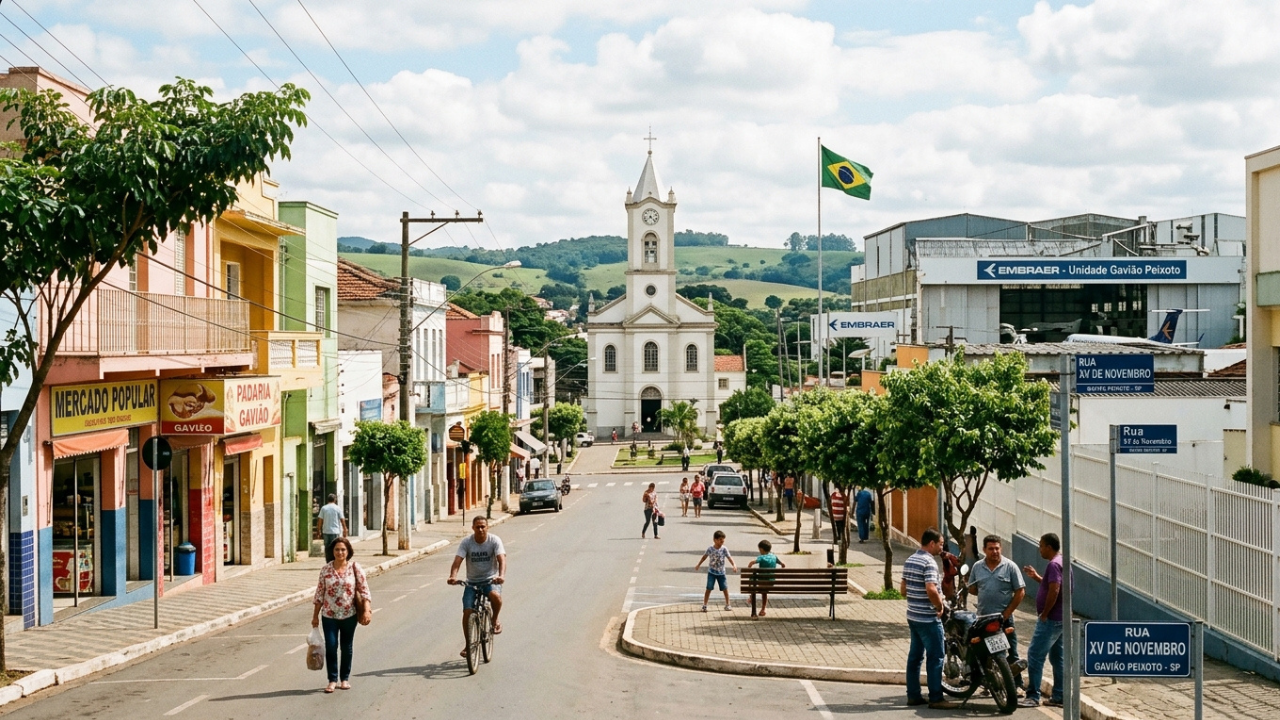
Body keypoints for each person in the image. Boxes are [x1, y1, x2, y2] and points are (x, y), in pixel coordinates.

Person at [900, 528, 957, 709]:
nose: (942, 548)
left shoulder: (910, 560)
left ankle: (913, 695)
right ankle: (936, 698)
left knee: (915, 657)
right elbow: (931, 589)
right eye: (940, 544)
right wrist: (939, 606)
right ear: (931, 543)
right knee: (936, 657)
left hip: (913, 616)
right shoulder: (929, 562)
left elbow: (903, 590)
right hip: (928, 618)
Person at [311, 537, 370, 693]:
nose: (340, 552)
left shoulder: (355, 568)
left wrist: (366, 609)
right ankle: (332, 679)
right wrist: (315, 616)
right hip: (329, 615)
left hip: (349, 615)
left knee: (346, 646)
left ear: (348, 551)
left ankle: (344, 678)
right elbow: (319, 593)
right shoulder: (325, 570)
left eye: (343, 549)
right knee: (331, 646)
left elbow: (364, 590)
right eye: (337, 549)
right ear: (332, 551)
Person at [969, 535, 1027, 687]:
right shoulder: (977, 567)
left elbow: (1020, 592)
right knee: (982, 653)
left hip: (1004, 620)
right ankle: (987, 684)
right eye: (991, 549)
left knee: (1012, 653)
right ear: (984, 550)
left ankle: (1017, 685)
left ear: (1001, 548)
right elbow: (973, 589)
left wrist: (1006, 613)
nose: (994, 551)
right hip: (983, 619)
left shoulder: (1010, 567)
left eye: (997, 548)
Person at [447, 516, 506, 656]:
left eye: (483, 526)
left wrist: (501, 576)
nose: (480, 529)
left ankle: (494, 619)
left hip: (490, 580)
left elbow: (502, 560)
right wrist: (453, 576)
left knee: (495, 596)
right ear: (473, 528)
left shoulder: (494, 540)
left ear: (487, 527)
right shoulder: (467, 542)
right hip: (472, 582)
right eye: (477, 527)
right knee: (467, 612)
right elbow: (457, 561)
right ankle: (468, 645)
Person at [1020, 533, 1066, 709]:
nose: (1039, 549)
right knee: (1057, 658)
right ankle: (1059, 695)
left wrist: (1045, 613)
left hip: (1052, 619)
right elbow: (1051, 585)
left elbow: (1055, 590)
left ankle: (1033, 696)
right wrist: (1036, 577)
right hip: (1061, 618)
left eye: (1041, 546)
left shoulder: (1054, 565)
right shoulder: (1061, 561)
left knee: (1035, 655)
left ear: (1049, 547)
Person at [695, 530, 737, 611]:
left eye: (723, 540)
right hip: (712, 572)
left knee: (725, 588)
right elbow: (704, 557)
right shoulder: (710, 549)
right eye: (720, 540)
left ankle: (728, 604)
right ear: (715, 540)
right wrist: (698, 564)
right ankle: (705, 605)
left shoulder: (724, 549)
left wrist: (734, 564)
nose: (722, 542)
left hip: (721, 573)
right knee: (709, 588)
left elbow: (729, 557)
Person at [747, 539, 784, 618]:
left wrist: (749, 566)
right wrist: (782, 564)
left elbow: (752, 562)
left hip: (761, 583)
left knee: (752, 580)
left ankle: (751, 595)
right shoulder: (774, 556)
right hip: (771, 583)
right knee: (764, 592)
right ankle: (763, 609)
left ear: (761, 549)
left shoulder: (761, 557)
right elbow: (780, 562)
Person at [317, 494, 348, 563]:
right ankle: (334, 562)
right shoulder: (337, 508)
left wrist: (318, 530)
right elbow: (342, 520)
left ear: (327, 500)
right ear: (335, 500)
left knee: (327, 548)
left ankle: (328, 562)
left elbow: (320, 520)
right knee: (335, 547)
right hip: (335, 532)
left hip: (326, 531)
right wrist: (345, 529)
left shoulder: (324, 508)